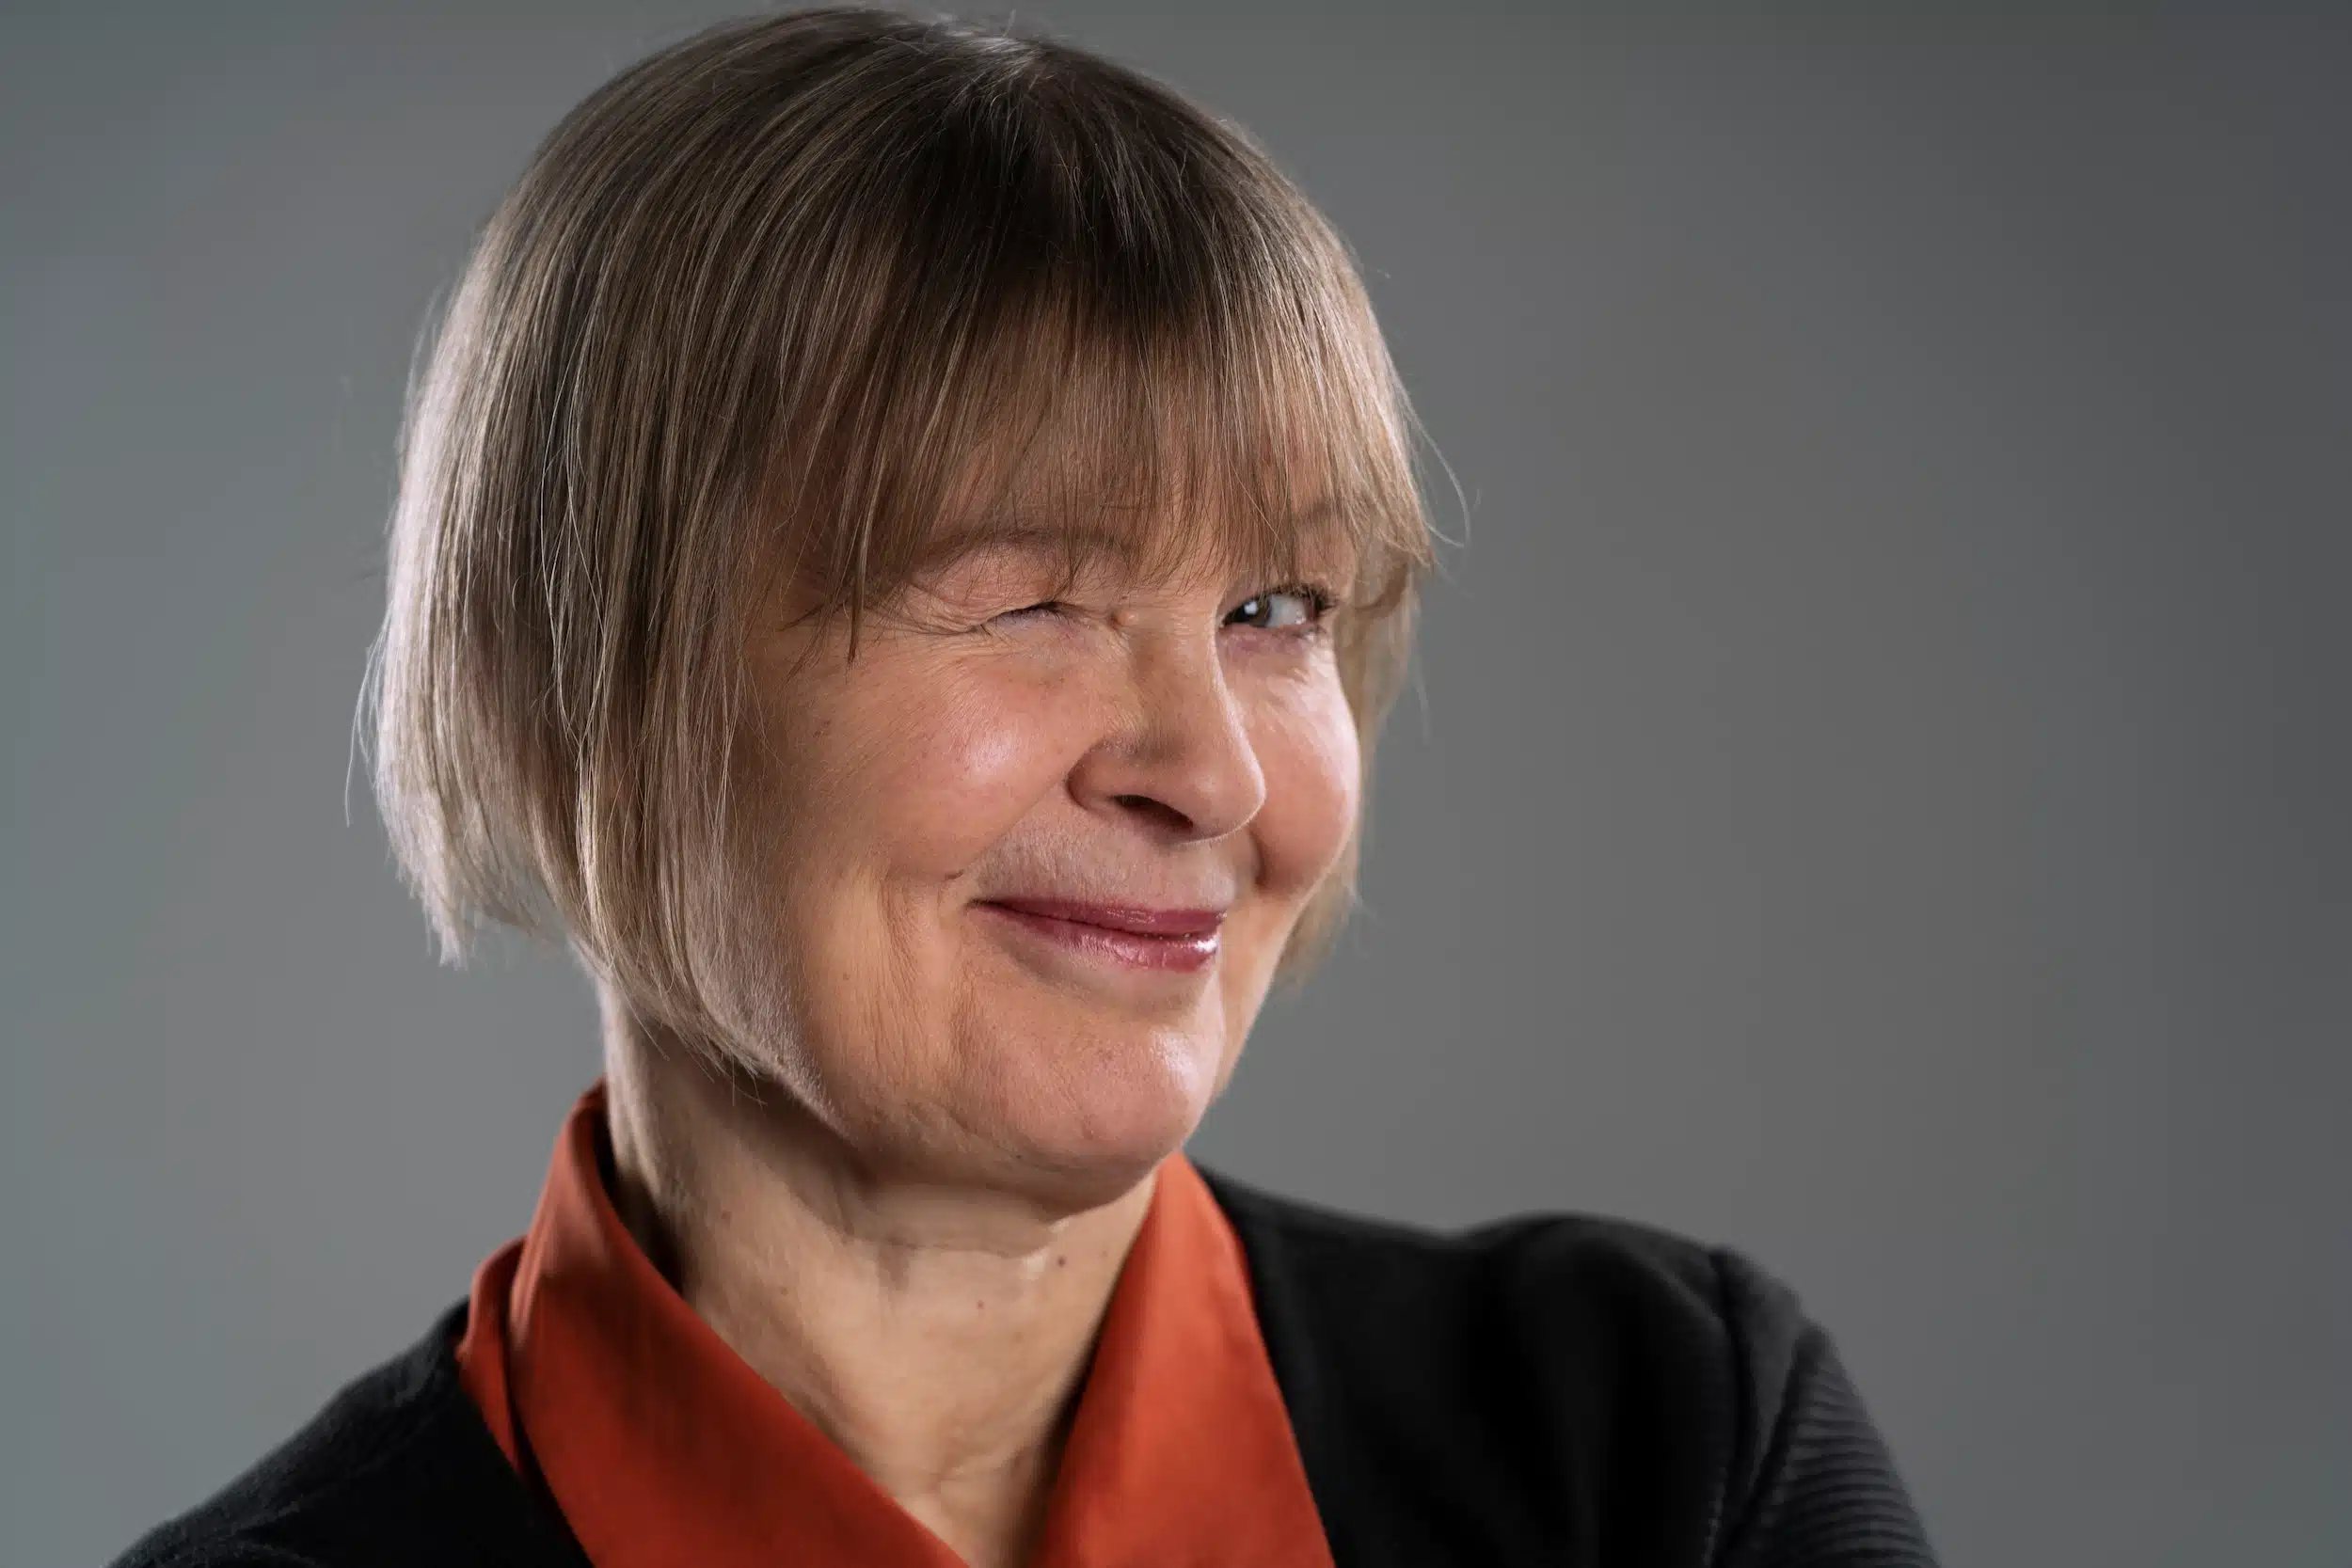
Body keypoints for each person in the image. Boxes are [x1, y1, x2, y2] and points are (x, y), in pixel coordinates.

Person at [115, 8, 1938, 1566]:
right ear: (564, 685)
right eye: (1028, 594)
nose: (1210, 771)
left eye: (1271, 606)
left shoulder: (1663, 1460)